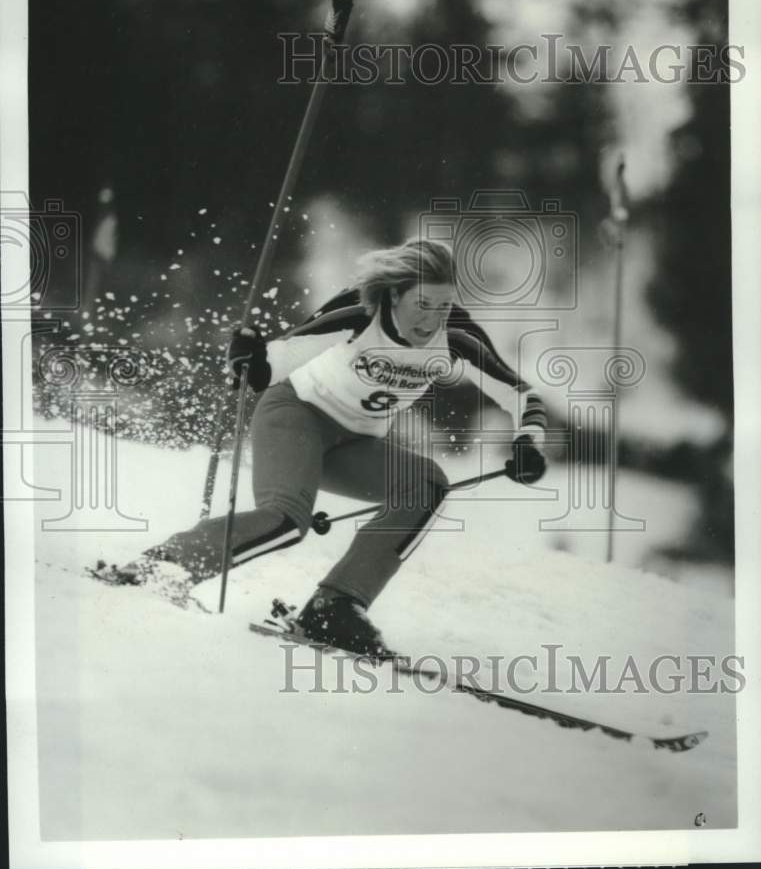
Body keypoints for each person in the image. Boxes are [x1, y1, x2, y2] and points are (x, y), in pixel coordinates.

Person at [96, 239, 548, 655]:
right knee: (286, 520)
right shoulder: (359, 311)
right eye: (422, 304)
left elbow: (521, 394)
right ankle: (164, 566)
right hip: (297, 416)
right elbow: (278, 360)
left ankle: (334, 608)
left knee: (427, 484)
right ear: (394, 295)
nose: (431, 320)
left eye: (444, 305)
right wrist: (250, 359)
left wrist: (529, 440)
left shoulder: (459, 336)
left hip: (354, 443)